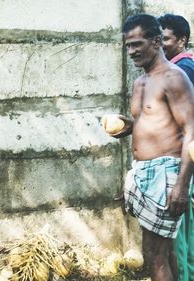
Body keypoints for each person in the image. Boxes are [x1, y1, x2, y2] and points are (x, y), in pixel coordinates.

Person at [109, 14, 194, 281]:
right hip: (143, 171)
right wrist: (130, 126)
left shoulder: (174, 78)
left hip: (167, 173)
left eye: (137, 44)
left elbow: (192, 131)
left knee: (154, 254)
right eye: (128, 46)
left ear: (157, 41)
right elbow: (154, 122)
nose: (132, 52)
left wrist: (181, 185)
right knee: (165, 253)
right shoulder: (140, 82)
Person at [158, 13, 194, 281]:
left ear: (182, 40)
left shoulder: (182, 71)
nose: (160, 45)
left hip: (185, 162)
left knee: (181, 235)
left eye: (165, 39)